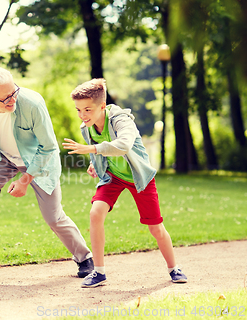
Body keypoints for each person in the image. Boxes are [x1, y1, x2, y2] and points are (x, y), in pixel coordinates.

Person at [0, 66, 93, 284]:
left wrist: (25, 180)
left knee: (53, 216)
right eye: (5, 98)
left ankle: (85, 258)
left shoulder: (32, 103)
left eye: (14, 92)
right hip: (0, 156)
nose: (12, 100)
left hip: (38, 160)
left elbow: (48, 147)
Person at [62, 78, 187, 288]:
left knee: (155, 228)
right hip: (113, 176)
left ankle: (174, 268)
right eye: (78, 110)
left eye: (87, 110)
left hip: (139, 177)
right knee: (95, 213)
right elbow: (102, 151)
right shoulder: (87, 126)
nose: (82, 115)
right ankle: (99, 272)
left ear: (102, 106)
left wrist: (92, 151)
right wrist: (95, 164)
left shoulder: (121, 120)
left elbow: (123, 145)